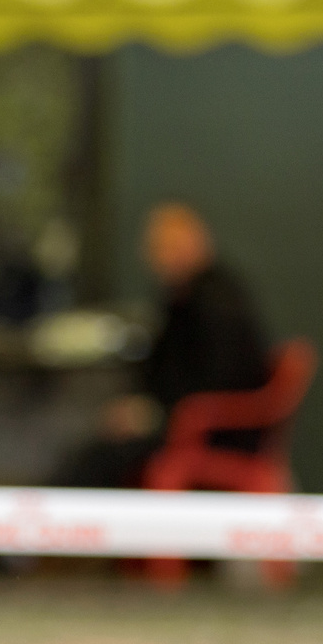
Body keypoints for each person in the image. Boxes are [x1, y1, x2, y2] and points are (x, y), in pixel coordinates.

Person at [54, 202, 274, 489]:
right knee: (88, 451)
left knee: (99, 461)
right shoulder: (182, 297)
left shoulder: (216, 303)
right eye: (155, 246)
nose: (159, 256)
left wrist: (156, 414)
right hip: (179, 420)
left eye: (169, 245)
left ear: (197, 242)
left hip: (213, 431)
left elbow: (220, 378)